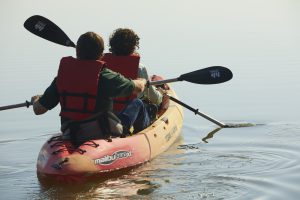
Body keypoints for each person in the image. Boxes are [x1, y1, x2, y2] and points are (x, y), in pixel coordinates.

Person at [31, 32, 148, 146]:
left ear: (77, 51)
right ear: (101, 54)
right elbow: (138, 88)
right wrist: (142, 81)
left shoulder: (63, 77)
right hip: (102, 134)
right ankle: (143, 138)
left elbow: (38, 110)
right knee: (137, 102)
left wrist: (36, 99)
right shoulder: (107, 77)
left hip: (71, 134)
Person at [101, 28, 163, 131]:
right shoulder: (139, 68)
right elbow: (154, 98)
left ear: (112, 46)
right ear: (134, 47)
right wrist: (161, 95)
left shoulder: (102, 66)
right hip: (130, 118)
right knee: (139, 103)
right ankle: (125, 129)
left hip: (106, 115)